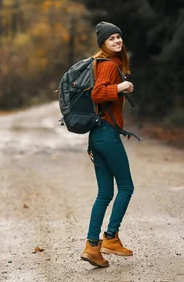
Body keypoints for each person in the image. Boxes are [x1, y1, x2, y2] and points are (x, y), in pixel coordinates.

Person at [80, 21, 135, 268]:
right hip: (106, 134)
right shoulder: (108, 65)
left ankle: (92, 247)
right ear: (102, 43)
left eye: (118, 37)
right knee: (126, 187)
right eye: (111, 38)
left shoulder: (106, 63)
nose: (117, 41)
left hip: (97, 135)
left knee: (104, 193)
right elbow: (97, 94)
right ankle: (110, 238)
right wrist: (122, 86)